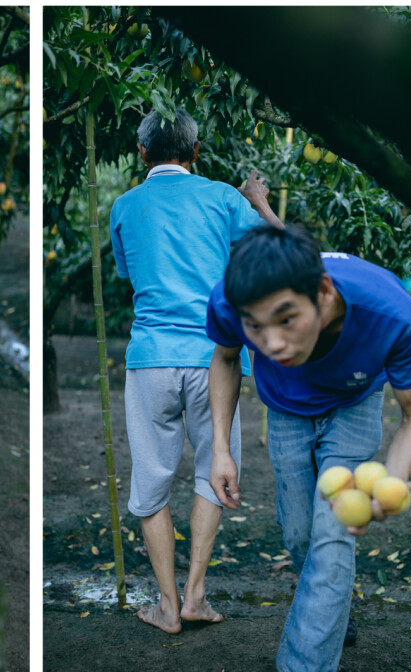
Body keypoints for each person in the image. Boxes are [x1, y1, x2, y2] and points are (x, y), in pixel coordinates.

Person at [206, 224, 411, 672]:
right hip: (284, 408)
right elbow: (223, 358)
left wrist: (392, 480)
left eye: (287, 320)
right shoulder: (229, 298)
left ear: (324, 293)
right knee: (300, 534)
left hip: (354, 404)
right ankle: (336, 607)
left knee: (333, 537)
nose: (274, 343)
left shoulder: (391, 315)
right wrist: (220, 448)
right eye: (257, 328)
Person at [109, 109, 283, 635]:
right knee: (216, 469)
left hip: (151, 359)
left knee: (151, 482)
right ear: (197, 150)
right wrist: (257, 200)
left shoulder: (123, 206)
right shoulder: (223, 198)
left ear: (142, 154)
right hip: (216, 358)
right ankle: (195, 596)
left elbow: (128, 272)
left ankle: (165, 606)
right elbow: (285, 248)